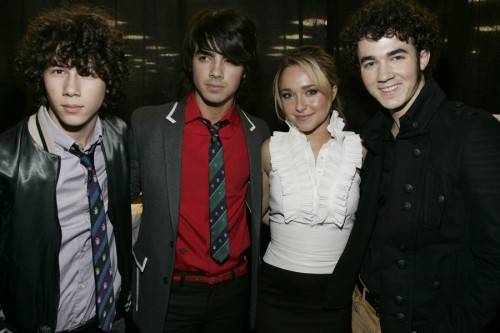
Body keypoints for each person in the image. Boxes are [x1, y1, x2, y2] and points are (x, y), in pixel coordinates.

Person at [341, 0, 500, 332]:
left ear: (423, 57)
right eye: (370, 62)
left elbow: (494, 261)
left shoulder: (472, 132)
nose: (383, 75)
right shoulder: (374, 137)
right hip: (364, 314)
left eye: (396, 56)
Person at [129, 8, 269, 333]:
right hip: (169, 295)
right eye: (206, 57)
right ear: (190, 62)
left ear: (245, 70)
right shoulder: (148, 126)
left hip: (235, 294)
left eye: (231, 60)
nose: (216, 72)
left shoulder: (258, 133)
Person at [0, 5, 132, 333]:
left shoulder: (119, 138)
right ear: (40, 75)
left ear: (109, 78)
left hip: (112, 319)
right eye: (58, 70)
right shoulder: (7, 158)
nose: (71, 89)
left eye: (87, 71)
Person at [256, 46, 363, 333]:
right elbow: (261, 213)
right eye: (288, 95)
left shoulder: (359, 151)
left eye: (311, 91)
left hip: (336, 293)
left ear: (334, 90)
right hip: (276, 292)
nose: (299, 105)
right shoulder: (270, 150)